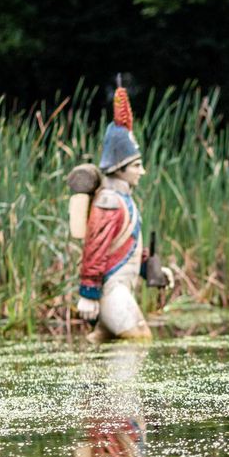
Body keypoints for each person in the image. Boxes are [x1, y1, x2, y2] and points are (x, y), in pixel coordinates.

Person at [76, 77, 171, 343]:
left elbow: (126, 247)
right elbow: (96, 247)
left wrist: (151, 269)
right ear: (119, 167)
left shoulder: (125, 200)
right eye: (136, 165)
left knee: (102, 346)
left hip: (123, 286)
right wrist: (89, 292)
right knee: (139, 338)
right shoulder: (108, 201)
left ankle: (88, 382)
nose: (142, 171)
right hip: (111, 289)